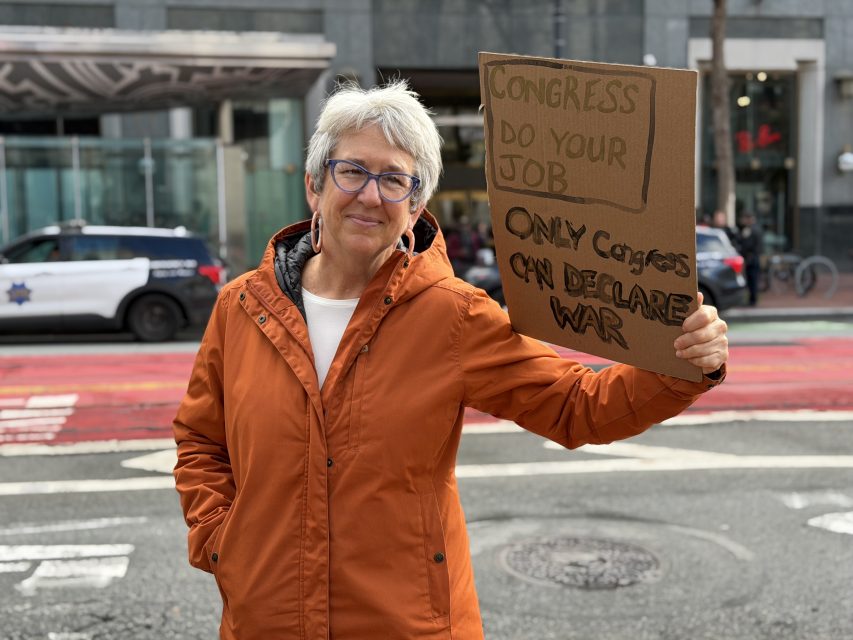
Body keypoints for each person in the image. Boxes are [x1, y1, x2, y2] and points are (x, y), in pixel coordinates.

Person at [172, 81, 729, 640]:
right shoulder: (242, 307)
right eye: (352, 172)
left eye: (395, 180)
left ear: (415, 207)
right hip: (266, 622)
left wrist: (676, 363)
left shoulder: (452, 315)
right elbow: (200, 439)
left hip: (407, 625)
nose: (371, 196)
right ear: (314, 187)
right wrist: (221, 540)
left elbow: (577, 407)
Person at [738, 211, 764, 306]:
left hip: (751, 258)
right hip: (755, 257)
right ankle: (753, 299)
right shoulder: (757, 228)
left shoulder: (750, 230)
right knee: (753, 279)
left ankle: (753, 300)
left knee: (752, 279)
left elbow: (747, 244)